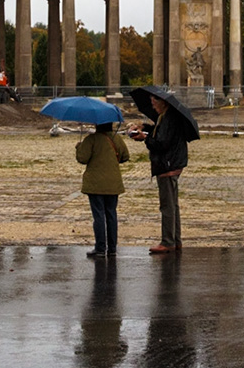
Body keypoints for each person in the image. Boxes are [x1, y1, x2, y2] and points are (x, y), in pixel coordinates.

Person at [131, 94, 189, 254]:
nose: (153, 106)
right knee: (173, 205)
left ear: (162, 103)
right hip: (172, 163)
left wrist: (145, 139)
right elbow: (160, 132)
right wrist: (145, 127)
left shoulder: (169, 118)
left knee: (167, 206)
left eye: (154, 103)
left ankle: (168, 241)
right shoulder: (166, 116)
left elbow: (162, 143)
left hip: (167, 165)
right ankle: (175, 240)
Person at [76, 121, 129, 258]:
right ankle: (112, 248)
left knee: (98, 216)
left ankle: (100, 248)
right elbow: (125, 156)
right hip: (113, 183)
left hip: (95, 185)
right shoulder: (116, 138)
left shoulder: (91, 139)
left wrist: (79, 147)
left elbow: (82, 158)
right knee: (111, 215)